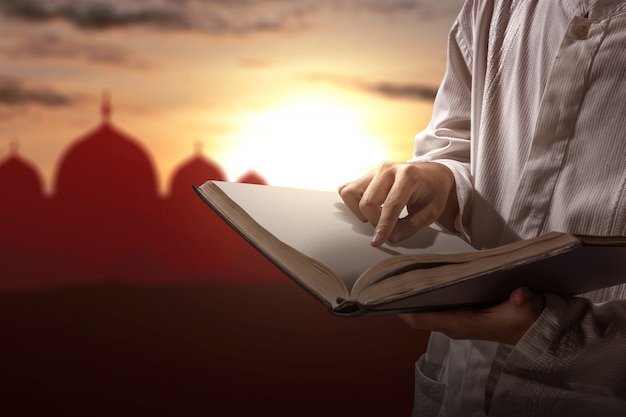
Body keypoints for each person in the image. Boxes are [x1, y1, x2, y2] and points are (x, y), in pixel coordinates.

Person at [338, 0, 626, 415]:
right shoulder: (492, 6)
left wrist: (564, 337)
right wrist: (441, 179)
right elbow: (461, 145)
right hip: (458, 388)